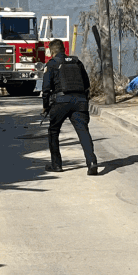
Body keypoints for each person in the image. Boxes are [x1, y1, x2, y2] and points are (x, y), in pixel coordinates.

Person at [39, 39, 99, 175]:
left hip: (60, 101)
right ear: (64, 50)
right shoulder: (77, 62)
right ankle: (92, 162)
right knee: (83, 131)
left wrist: (45, 107)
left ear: (52, 51)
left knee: (53, 131)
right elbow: (87, 84)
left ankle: (56, 165)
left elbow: (46, 89)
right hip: (80, 101)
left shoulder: (52, 64)